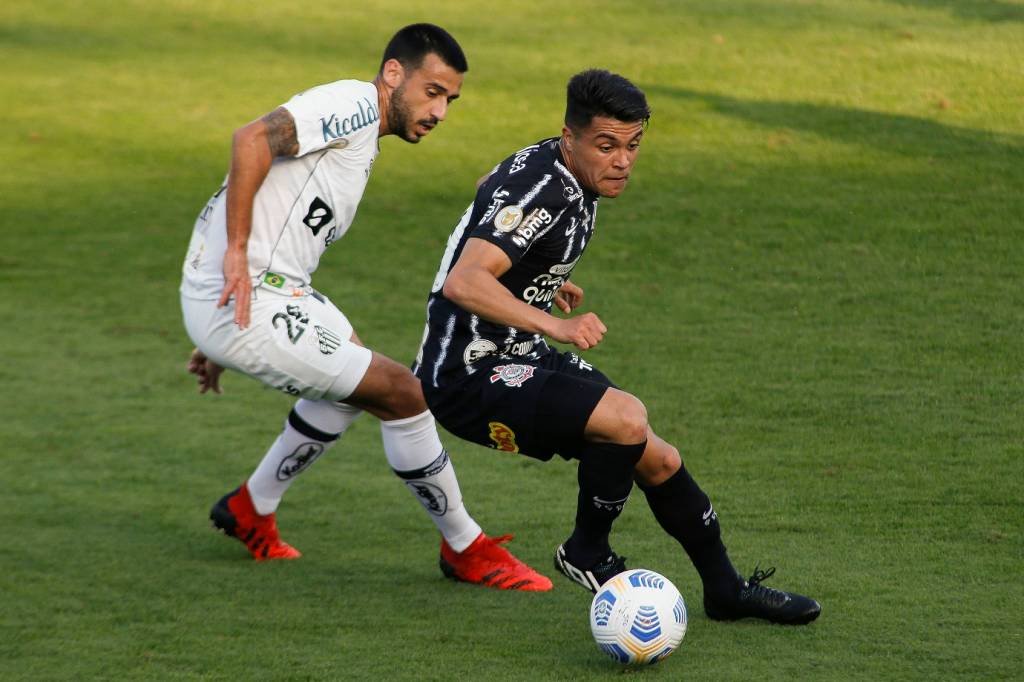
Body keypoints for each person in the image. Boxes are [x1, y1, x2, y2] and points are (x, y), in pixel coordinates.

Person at [412, 68, 821, 622]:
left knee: (656, 455)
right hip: (468, 374)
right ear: (569, 136)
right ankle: (586, 551)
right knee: (625, 419)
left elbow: (490, 189)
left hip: (516, 352)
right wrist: (551, 321)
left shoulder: (565, 171)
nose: (623, 160)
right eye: (607, 145)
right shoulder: (545, 193)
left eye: (633, 145)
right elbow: (464, 281)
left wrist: (539, 274)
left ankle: (725, 589)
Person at [179, 24, 550, 591]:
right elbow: (251, 139)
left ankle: (252, 506)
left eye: (450, 99)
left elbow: (278, 214)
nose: (441, 111)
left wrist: (218, 325)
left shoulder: (361, 135)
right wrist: (232, 271)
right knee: (401, 392)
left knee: (351, 380)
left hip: (262, 292)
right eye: (432, 92)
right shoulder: (352, 104)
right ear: (394, 74)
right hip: (249, 290)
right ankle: (466, 549)